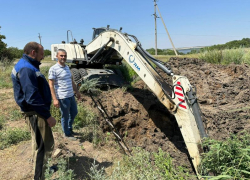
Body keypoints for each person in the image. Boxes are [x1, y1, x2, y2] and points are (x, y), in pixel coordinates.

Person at [11, 42, 57, 180]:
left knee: (38, 143)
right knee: (43, 146)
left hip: (36, 112)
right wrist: (48, 116)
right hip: (35, 113)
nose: (43, 57)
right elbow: (32, 97)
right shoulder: (26, 69)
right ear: (33, 52)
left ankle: (44, 168)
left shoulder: (28, 65)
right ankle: (39, 177)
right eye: (42, 54)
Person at [48, 49, 81, 140]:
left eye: (65, 56)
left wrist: (77, 92)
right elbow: (51, 85)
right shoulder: (53, 69)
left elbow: (71, 81)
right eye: (61, 55)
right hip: (62, 97)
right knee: (65, 116)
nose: (63, 57)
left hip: (71, 95)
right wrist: (54, 99)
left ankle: (69, 129)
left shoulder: (67, 67)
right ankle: (67, 134)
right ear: (57, 56)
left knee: (74, 112)